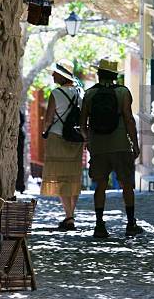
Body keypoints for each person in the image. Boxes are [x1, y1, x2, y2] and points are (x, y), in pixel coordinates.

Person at [80, 58, 142, 239]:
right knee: (127, 184)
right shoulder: (123, 92)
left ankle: (99, 225)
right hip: (120, 145)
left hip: (98, 147)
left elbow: (82, 123)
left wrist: (88, 141)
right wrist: (135, 143)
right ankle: (130, 224)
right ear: (115, 75)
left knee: (100, 185)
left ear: (99, 74)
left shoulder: (90, 94)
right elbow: (129, 120)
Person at [40, 60, 83, 231]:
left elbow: (48, 119)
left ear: (62, 76)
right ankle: (70, 214)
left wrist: (45, 130)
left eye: (55, 73)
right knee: (73, 176)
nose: (52, 75)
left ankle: (69, 216)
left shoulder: (56, 93)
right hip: (76, 139)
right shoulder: (80, 92)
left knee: (61, 177)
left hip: (57, 137)